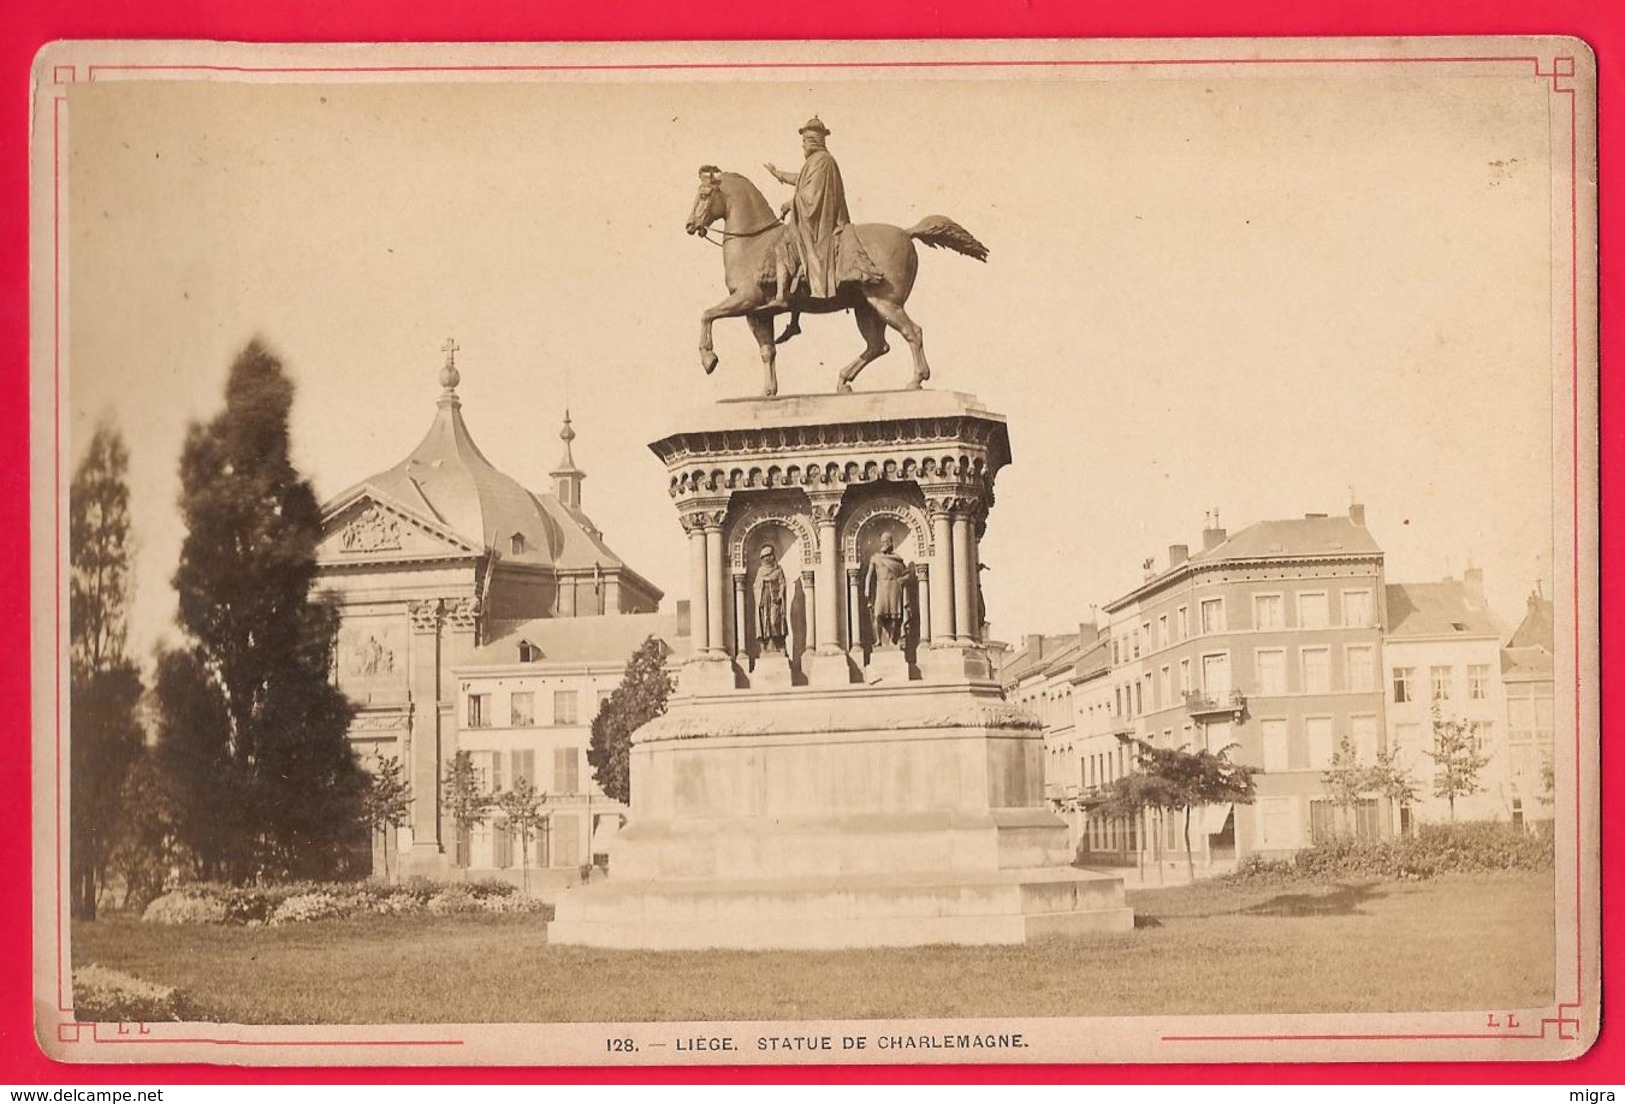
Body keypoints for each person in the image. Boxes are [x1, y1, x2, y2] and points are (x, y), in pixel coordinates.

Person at [763, 116, 878, 339]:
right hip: (816, 218)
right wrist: (777, 173)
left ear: (812, 140)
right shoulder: (817, 161)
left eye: (805, 141)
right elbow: (801, 180)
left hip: (820, 221)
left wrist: (791, 203)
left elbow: (812, 195)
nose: (803, 146)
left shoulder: (822, 161)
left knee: (784, 244)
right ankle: (794, 317)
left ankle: (780, 296)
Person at [864, 533, 911, 648]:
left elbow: (908, 574)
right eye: (883, 541)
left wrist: (901, 579)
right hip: (881, 587)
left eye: (887, 541)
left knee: (895, 616)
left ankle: (892, 640)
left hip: (894, 588)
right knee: (878, 615)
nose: (884, 544)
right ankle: (878, 640)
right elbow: (869, 575)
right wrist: (867, 588)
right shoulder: (875, 558)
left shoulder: (897, 560)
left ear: (891, 543)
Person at [754, 545, 789, 654]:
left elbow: (782, 583)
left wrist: (780, 595)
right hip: (764, 598)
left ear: (772, 556)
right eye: (764, 556)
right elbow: (756, 585)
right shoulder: (760, 571)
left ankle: (780, 645)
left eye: (768, 555)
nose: (766, 558)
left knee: (775, 621)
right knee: (765, 622)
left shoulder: (778, 569)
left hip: (775, 599)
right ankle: (767, 645)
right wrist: (762, 583)